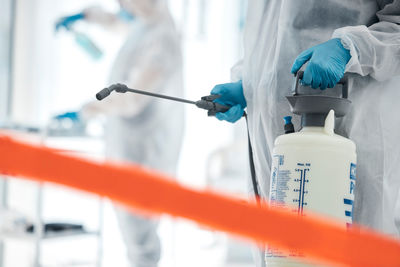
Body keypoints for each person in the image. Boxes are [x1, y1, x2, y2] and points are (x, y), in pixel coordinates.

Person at [210, 0, 400, 266]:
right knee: (282, 254)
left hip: (352, 131)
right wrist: (252, 85)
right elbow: (274, 33)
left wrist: (352, 47)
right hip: (276, 144)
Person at [55, 1, 184, 266]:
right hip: (130, 142)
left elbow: (132, 99)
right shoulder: (145, 25)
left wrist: (86, 111)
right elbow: (118, 24)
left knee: (139, 227)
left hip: (145, 147)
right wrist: (87, 15)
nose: (121, 5)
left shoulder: (161, 38)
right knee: (131, 224)